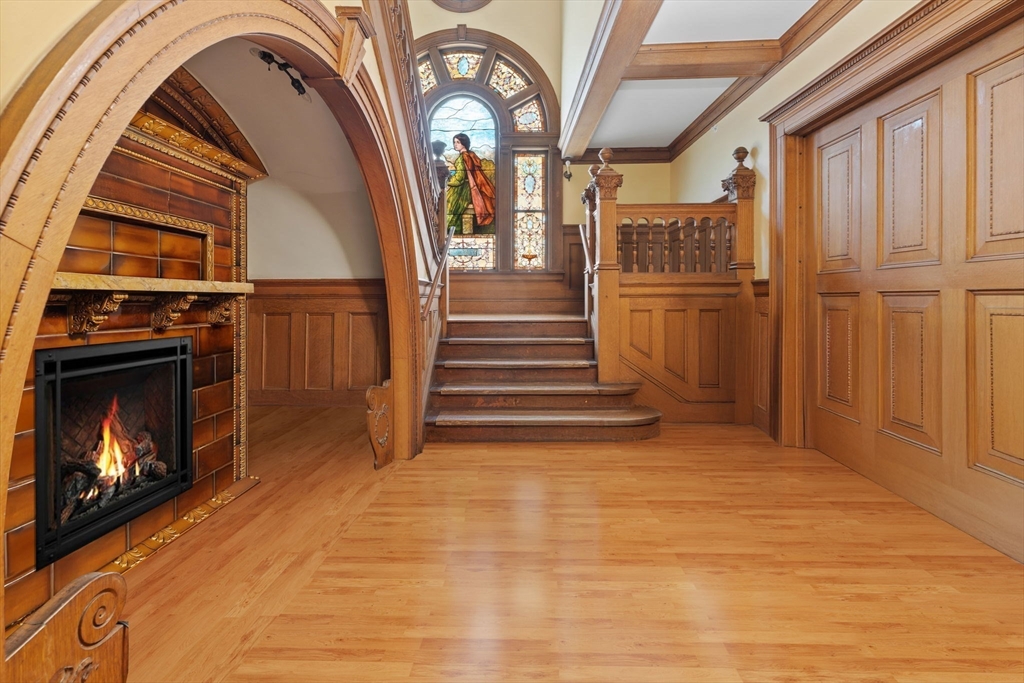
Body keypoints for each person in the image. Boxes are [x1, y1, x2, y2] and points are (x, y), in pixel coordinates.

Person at [446, 133, 496, 233]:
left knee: (449, 205)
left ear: (464, 143)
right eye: (454, 142)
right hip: (471, 187)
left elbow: (459, 178)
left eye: (458, 142)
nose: (455, 144)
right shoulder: (470, 155)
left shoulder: (462, 158)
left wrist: (447, 182)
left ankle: (450, 230)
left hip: (463, 189)